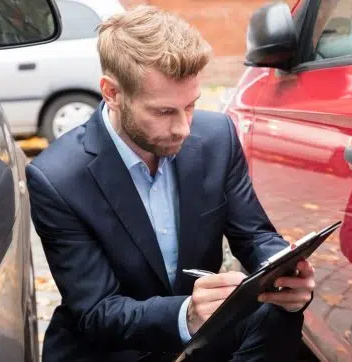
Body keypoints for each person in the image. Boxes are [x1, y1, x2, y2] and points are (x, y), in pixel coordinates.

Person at [26, 5, 315, 362]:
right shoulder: (56, 177)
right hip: (113, 346)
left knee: (280, 315)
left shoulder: (217, 137)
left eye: (190, 105)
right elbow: (97, 311)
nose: (184, 128)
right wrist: (186, 314)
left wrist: (285, 271)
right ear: (112, 93)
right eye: (164, 112)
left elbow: (254, 235)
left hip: (203, 337)